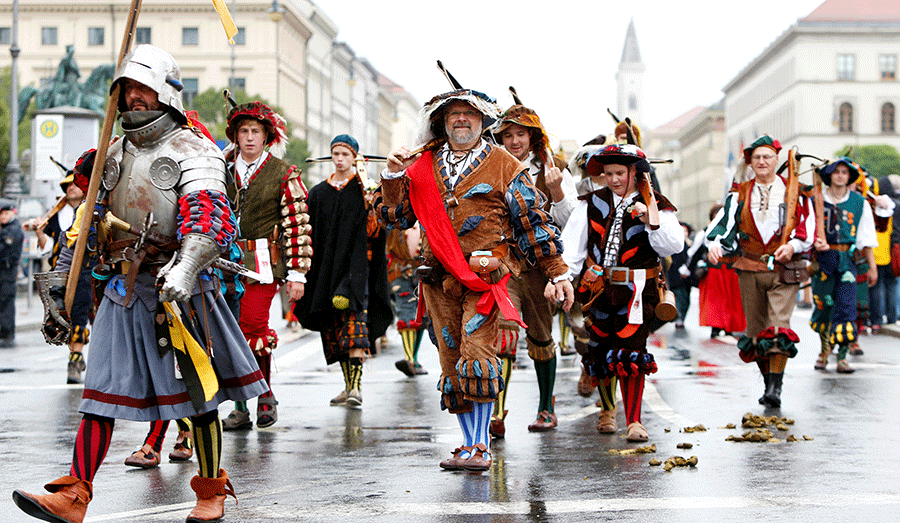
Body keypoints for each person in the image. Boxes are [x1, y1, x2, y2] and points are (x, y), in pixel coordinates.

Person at [12, 44, 268, 523]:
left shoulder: (193, 150)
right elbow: (87, 228)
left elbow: (210, 222)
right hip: (122, 289)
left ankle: (211, 491)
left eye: (143, 88)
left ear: (166, 92)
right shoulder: (110, 152)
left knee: (198, 395)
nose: (134, 97)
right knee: (99, 392)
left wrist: (185, 270)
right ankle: (75, 494)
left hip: (182, 292)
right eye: (127, 88)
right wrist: (62, 284)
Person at [377, 88, 573, 471]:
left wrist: (557, 271)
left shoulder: (504, 165)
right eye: (454, 113)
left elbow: (532, 221)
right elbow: (396, 217)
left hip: (485, 280)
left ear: (483, 121)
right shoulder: (421, 165)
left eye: (470, 113)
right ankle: (467, 443)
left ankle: (481, 445)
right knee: (451, 362)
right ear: (442, 121)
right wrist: (393, 175)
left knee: (478, 355)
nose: (462, 119)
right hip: (437, 281)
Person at [561, 143, 683, 442]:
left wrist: (650, 220)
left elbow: (673, 245)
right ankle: (606, 410)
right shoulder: (590, 203)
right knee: (599, 348)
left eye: (620, 173)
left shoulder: (656, 203)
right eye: (609, 173)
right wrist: (561, 278)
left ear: (634, 172)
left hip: (638, 291)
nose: (614, 179)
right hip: (597, 289)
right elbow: (572, 248)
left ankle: (634, 421)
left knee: (632, 350)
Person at [219, 101, 311, 430]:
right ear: (235, 135)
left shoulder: (283, 172)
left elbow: (297, 226)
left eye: (255, 131)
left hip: (262, 262)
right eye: (243, 131)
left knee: (253, 326)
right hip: (222, 262)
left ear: (266, 136)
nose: (248, 137)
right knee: (230, 332)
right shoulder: (220, 168)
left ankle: (265, 395)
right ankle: (240, 407)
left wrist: (297, 273)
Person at [706, 136, 815, 408]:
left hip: (784, 269)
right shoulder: (739, 193)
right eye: (757, 157)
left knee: (778, 327)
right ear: (750, 162)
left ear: (777, 160)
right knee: (755, 332)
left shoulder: (795, 191)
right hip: (750, 267)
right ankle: (768, 382)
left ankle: (776, 388)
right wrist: (715, 245)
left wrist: (793, 246)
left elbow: (807, 227)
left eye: (767, 157)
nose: (762, 162)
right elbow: (723, 225)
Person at [491, 103, 578, 434]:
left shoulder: (555, 169)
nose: (514, 141)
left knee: (541, 337)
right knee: (503, 333)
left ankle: (546, 408)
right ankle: (497, 413)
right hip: (504, 265)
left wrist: (556, 191)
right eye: (508, 135)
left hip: (540, 267)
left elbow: (570, 222)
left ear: (533, 137)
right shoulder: (493, 166)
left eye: (521, 134)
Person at [294, 134, 392, 408]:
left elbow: (375, 232)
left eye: (345, 154)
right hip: (327, 270)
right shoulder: (318, 193)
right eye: (336, 153)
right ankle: (347, 386)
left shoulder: (364, 190)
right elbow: (309, 232)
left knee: (355, 328)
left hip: (357, 271)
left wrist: (370, 204)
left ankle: (355, 388)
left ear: (355, 158)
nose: (339, 159)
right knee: (335, 331)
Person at [810, 158, 892, 372]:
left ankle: (843, 356)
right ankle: (824, 351)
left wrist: (872, 267)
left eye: (844, 172)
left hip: (847, 261)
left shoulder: (859, 202)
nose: (840, 176)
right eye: (836, 171)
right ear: (829, 175)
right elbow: (806, 231)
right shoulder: (816, 199)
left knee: (846, 307)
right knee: (823, 306)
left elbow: (866, 238)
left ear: (849, 177)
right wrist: (813, 244)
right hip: (823, 261)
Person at [24, 162, 91, 381]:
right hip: (61, 272)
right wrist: (39, 233)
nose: (70, 188)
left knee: (82, 314)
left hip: (88, 271)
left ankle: (78, 358)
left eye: (74, 184)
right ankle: (75, 356)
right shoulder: (55, 215)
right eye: (67, 186)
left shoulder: (93, 209)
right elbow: (47, 247)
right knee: (63, 317)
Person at [690, 204, 746, 340]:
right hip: (714, 271)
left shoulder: (738, 233)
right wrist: (687, 269)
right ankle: (716, 327)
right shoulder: (705, 234)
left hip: (732, 271)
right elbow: (694, 253)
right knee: (715, 301)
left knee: (733, 301)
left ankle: (729, 327)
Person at [386, 225, 429, 377]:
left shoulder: (425, 218)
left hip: (423, 270)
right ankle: (409, 359)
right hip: (400, 271)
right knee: (406, 312)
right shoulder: (393, 219)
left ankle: (413, 359)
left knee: (422, 314)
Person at [867, 176, 897, 333]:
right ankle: (891, 317)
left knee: (876, 287)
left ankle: (876, 320)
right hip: (888, 252)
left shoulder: (872, 207)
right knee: (890, 286)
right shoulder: (891, 205)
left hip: (874, 252)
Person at [0, 200, 24, 347]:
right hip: (3, 270)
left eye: (6, 213)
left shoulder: (14, 229)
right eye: (1, 214)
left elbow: (5, 247)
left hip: (7, 271)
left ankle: (7, 332)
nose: (3, 216)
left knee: (6, 301)